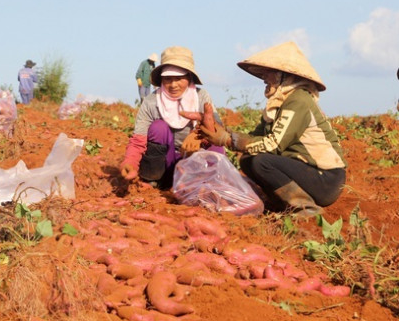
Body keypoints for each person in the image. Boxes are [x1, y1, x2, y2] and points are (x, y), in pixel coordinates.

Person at [199, 41, 346, 217]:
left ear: (283, 75)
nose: (264, 79)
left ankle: (305, 209)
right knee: (248, 159)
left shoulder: (298, 100)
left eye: (269, 74)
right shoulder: (279, 104)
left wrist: (227, 140)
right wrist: (222, 132)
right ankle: (280, 202)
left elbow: (273, 145)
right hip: (308, 172)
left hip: (326, 179)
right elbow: (254, 137)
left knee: (261, 162)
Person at [120, 46, 225, 189]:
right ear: (161, 79)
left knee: (215, 140)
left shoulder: (201, 96)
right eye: (168, 79)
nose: (173, 85)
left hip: (194, 161)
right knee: (158, 127)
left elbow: (219, 130)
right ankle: (154, 181)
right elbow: (138, 140)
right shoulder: (152, 101)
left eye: (179, 78)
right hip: (165, 164)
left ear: (189, 77)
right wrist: (130, 163)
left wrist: (197, 135)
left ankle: (213, 182)